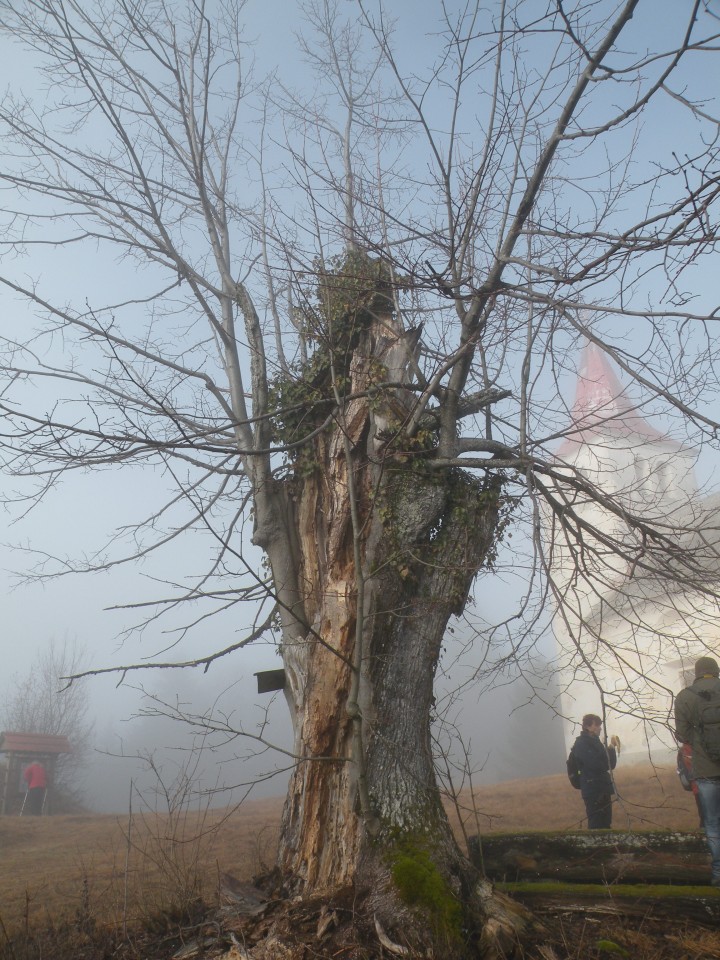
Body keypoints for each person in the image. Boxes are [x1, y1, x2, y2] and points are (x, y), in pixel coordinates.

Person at [675, 655, 720, 887]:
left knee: (712, 822)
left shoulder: (685, 697)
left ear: (697, 673)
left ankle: (718, 874)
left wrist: (701, 745)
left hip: (704, 770)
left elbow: (683, 735)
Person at [571, 713, 619, 829]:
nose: (600, 728)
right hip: (592, 790)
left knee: (606, 823)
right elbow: (595, 764)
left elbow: (610, 765)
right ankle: (595, 847)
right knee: (596, 824)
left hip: (603, 788)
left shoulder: (597, 743)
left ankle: (607, 847)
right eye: (596, 725)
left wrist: (611, 748)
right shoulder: (581, 744)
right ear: (587, 726)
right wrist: (605, 754)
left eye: (600, 725)